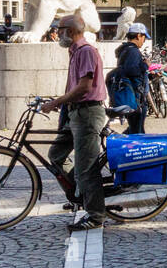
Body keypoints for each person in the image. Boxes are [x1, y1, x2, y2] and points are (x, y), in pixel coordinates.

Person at [40, 14, 108, 232]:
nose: (56, 33)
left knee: (86, 167)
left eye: (59, 29)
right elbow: (75, 88)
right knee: (56, 154)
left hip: (88, 114)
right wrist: (61, 103)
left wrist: (57, 102)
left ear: (70, 31)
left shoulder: (86, 51)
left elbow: (85, 87)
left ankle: (96, 215)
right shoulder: (75, 52)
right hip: (75, 113)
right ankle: (81, 192)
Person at [109, 23, 149, 134]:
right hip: (135, 98)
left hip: (131, 96)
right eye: (144, 37)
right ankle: (118, 147)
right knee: (137, 131)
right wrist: (145, 65)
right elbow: (131, 70)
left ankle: (121, 144)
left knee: (136, 128)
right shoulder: (133, 51)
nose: (144, 41)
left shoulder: (125, 50)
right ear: (138, 36)